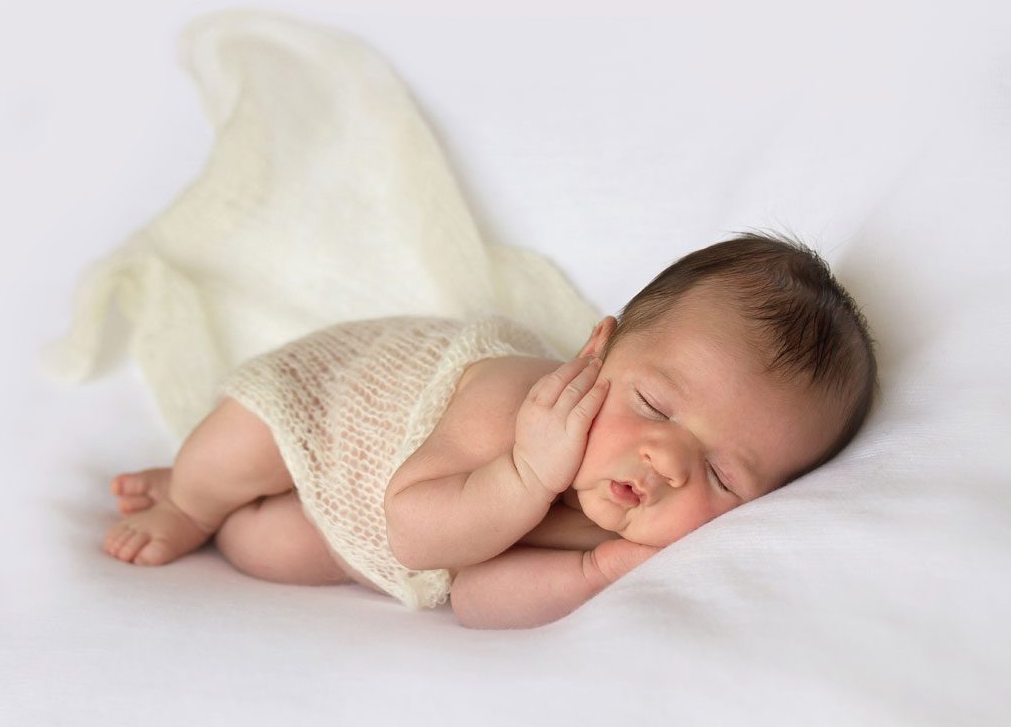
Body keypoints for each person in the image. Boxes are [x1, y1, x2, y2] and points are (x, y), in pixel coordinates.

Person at [102, 233, 877, 629]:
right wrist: (527, 478)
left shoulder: (632, 529)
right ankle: (188, 499)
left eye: (724, 476)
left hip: (358, 529)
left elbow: (473, 597)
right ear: (594, 352)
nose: (668, 461)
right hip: (335, 411)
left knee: (265, 549)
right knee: (237, 449)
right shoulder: (513, 405)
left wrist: (597, 572)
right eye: (656, 405)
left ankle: (225, 518)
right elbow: (414, 530)